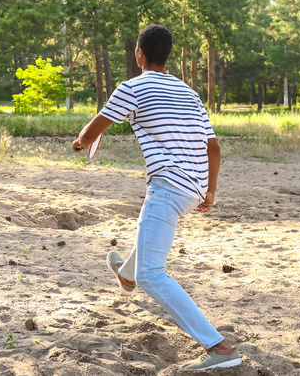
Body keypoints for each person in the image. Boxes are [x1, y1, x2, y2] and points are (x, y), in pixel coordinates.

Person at [72, 24, 240, 371]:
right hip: (194, 188)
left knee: (153, 274)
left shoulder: (131, 88)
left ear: (139, 54)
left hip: (169, 186)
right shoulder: (190, 93)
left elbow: (93, 130)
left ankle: (220, 347)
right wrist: (209, 190)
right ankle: (126, 274)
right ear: (170, 55)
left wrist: (80, 143)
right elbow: (213, 147)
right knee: (149, 240)